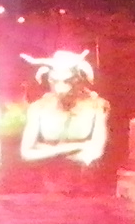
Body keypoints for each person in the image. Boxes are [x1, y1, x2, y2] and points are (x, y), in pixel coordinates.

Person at [18, 49, 109, 194]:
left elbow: (95, 152)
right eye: (54, 81)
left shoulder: (97, 106)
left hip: (84, 190)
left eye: (67, 81)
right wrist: (78, 146)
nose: (60, 88)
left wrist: (45, 150)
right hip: (44, 190)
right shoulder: (38, 108)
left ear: (78, 80)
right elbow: (26, 153)